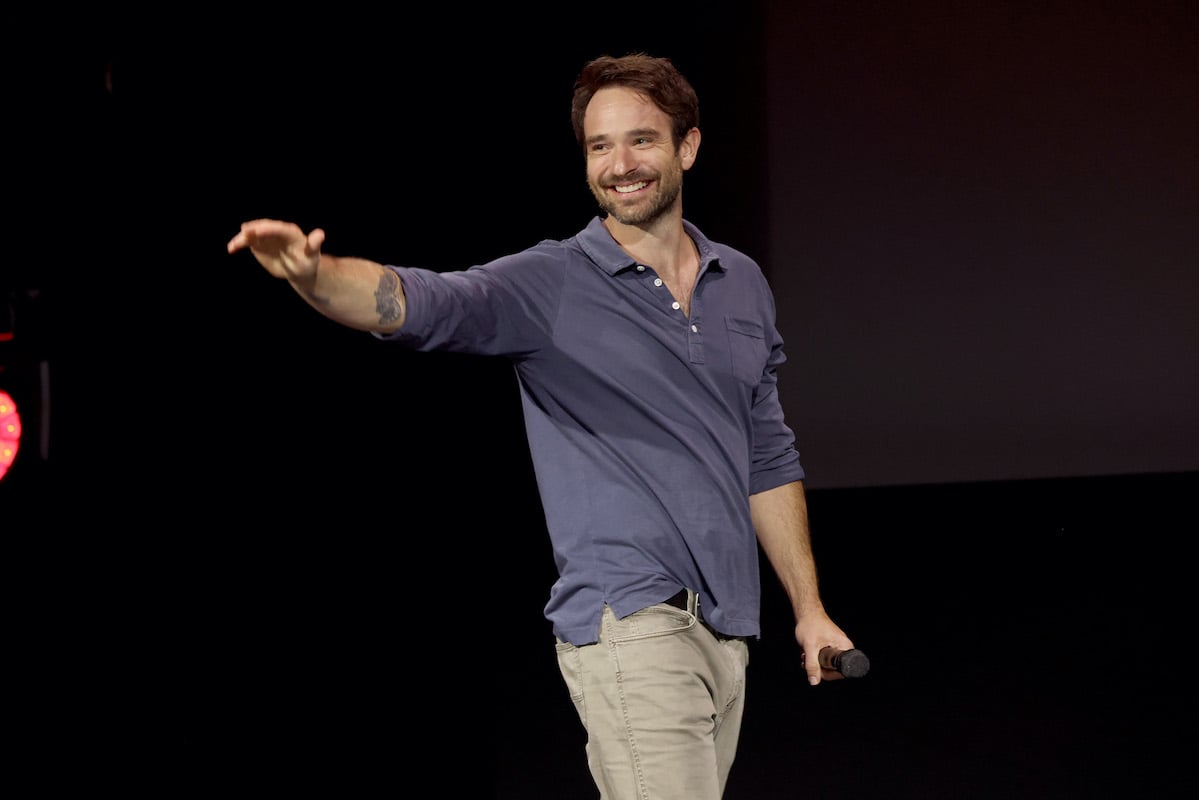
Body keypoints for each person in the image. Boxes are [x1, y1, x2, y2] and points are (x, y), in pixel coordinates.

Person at [227, 52, 855, 800]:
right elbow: (421, 302)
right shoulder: (553, 282)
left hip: (727, 629)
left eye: (641, 141)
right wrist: (315, 276)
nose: (619, 164)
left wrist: (809, 611)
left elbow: (768, 457)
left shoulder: (741, 281)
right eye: (599, 146)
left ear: (687, 147)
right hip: (632, 621)